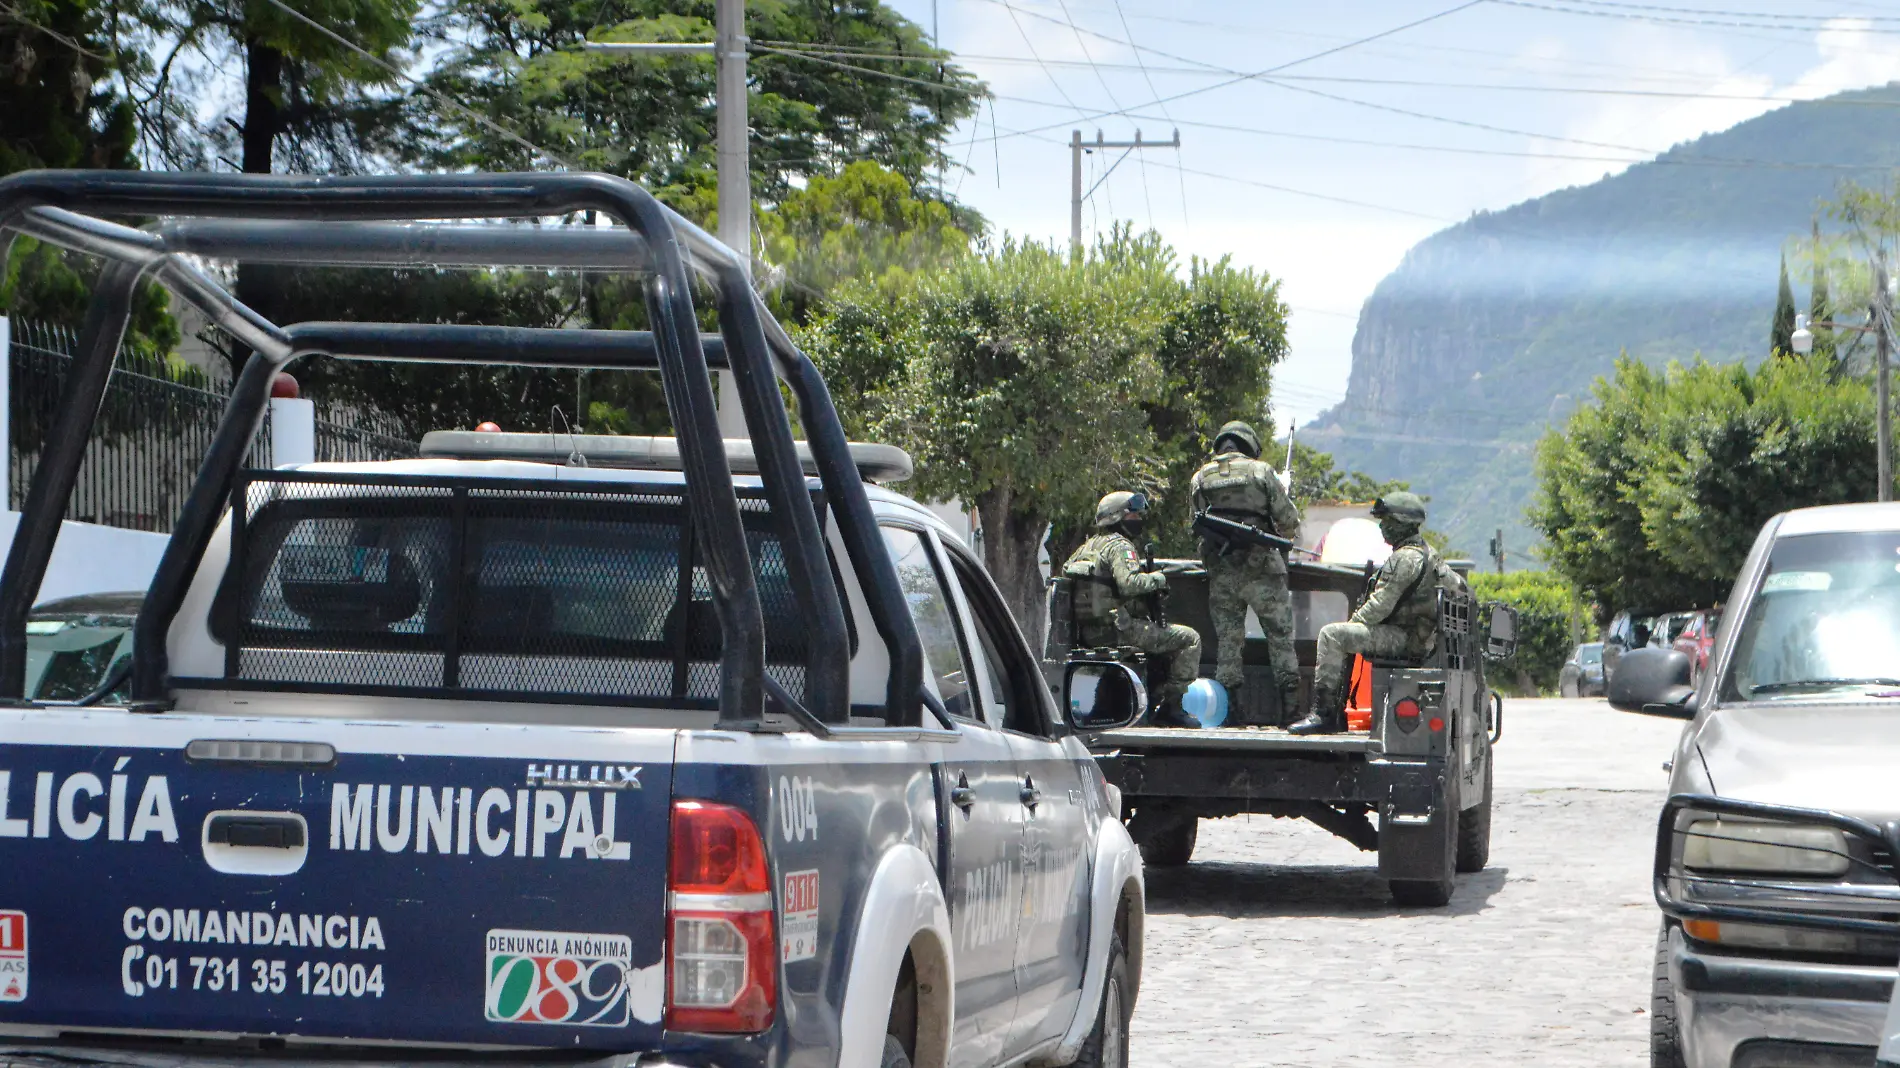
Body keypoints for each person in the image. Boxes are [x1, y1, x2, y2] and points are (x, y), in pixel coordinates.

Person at [1288, 491, 1441, 735]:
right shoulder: (1427, 554)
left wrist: (1352, 627)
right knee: (1342, 635)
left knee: (1332, 635)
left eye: (1387, 522)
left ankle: (1324, 714)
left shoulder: (1404, 559)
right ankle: (1334, 715)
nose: (1382, 527)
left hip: (1404, 639)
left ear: (1401, 525)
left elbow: (1379, 606)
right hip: (1416, 637)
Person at [1189, 420, 1303, 725]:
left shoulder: (1200, 478)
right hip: (1263, 568)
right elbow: (1289, 520)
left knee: (1229, 643)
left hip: (1223, 571)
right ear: (1248, 445)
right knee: (1280, 637)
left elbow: (1196, 525)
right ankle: (1290, 712)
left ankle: (1230, 713)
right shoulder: (1261, 472)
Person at [1061, 490, 1204, 727]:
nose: (1138, 519)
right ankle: (1170, 707)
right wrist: (1158, 578)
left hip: (1089, 633)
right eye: (1133, 514)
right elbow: (1129, 584)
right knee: (1190, 639)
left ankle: (1120, 703)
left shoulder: (1084, 548)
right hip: (1119, 631)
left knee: (1157, 641)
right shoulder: (1120, 546)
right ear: (1117, 517)